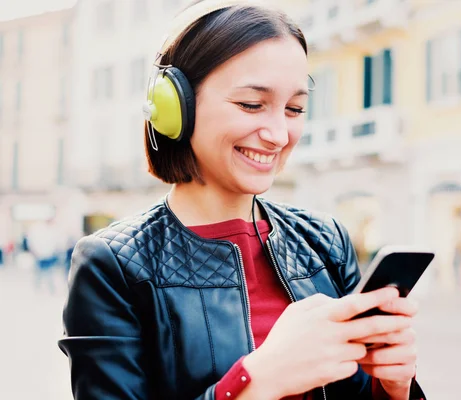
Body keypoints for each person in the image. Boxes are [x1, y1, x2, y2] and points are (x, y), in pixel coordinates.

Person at [59, 1, 426, 399]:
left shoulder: (325, 241)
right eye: (252, 104)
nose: (279, 134)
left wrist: (392, 388)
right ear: (175, 107)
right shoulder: (111, 265)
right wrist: (258, 379)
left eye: (294, 109)